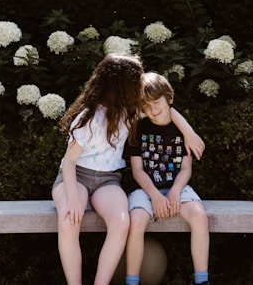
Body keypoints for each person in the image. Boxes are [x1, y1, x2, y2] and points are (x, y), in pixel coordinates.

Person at [52, 54, 205, 285]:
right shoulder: (89, 117)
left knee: (122, 222)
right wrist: (73, 198)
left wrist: (188, 132)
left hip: (107, 181)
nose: (140, 84)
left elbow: (166, 109)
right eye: (136, 81)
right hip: (76, 177)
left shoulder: (131, 112)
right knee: (68, 219)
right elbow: (70, 163)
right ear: (122, 86)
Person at [123, 72, 210, 285]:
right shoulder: (138, 129)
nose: (153, 110)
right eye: (146, 107)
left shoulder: (182, 131)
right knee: (136, 221)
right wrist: (155, 196)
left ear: (169, 99)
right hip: (146, 190)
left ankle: (202, 280)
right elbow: (137, 171)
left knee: (199, 216)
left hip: (177, 187)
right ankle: (131, 281)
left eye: (156, 103)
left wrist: (174, 192)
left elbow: (186, 168)